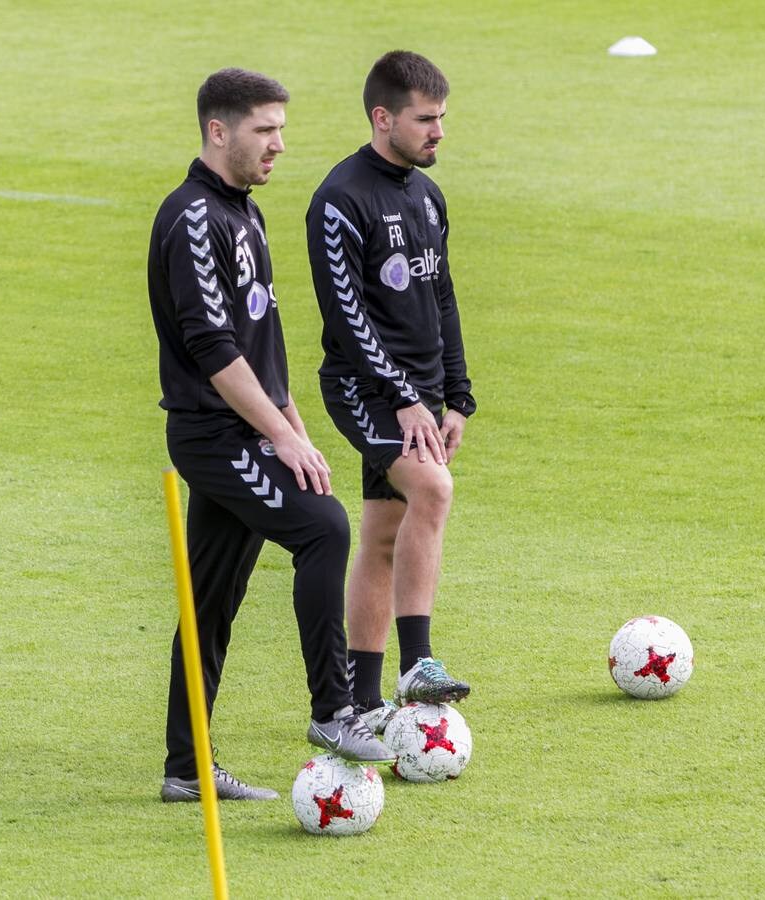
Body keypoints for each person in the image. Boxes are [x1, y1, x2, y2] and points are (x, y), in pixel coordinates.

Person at [147, 67, 394, 803]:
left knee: (211, 597)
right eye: (265, 129)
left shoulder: (244, 213)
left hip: (249, 426)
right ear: (218, 131)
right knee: (323, 528)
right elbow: (215, 349)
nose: (280, 144)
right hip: (214, 433)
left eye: (281, 129)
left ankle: (186, 769)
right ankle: (333, 711)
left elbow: (263, 341)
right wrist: (278, 439)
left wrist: (297, 428)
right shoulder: (193, 217)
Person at [305, 51, 476, 734]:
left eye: (441, 118)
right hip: (363, 389)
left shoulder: (427, 195)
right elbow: (347, 318)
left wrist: (456, 396)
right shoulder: (339, 200)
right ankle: (418, 663)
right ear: (383, 118)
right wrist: (404, 397)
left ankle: (363, 699)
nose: (439, 132)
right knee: (432, 491)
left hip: (418, 394)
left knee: (382, 533)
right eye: (425, 119)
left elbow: (443, 296)